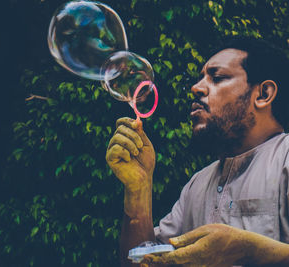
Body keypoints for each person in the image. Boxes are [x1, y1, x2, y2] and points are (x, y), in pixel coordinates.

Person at [105, 36, 289, 267]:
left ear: (263, 95)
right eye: (201, 77)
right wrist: (138, 188)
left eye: (217, 78)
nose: (196, 87)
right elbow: (141, 262)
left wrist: (247, 249)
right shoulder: (197, 185)